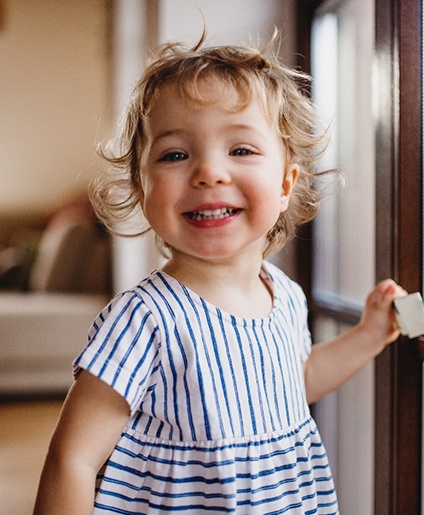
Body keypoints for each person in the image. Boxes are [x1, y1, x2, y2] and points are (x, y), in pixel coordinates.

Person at [34, 32, 405, 514]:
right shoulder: (144, 318)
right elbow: (74, 458)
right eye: (174, 155)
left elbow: (296, 380)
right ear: (143, 191)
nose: (210, 172)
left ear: (286, 184)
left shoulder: (286, 295)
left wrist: (370, 335)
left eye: (241, 151)